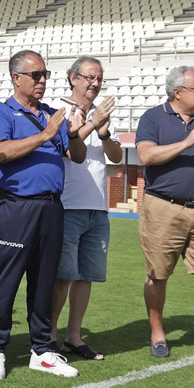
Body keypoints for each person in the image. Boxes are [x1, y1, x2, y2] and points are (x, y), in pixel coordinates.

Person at [0, 49, 86, 380]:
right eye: (35, 75)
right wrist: (45, 134)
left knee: (44, 281)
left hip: (51, 207)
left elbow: (78, 156)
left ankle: (42, 350)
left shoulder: (53, 115)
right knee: (5, 280)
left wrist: (76, 131)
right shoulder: (2, 114)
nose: (42, 81)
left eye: (45, 75)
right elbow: (1, 152)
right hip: (15, 207)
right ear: (16, 78)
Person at [134, 65, 194, 359]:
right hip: (162, 209)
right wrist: (187, 141)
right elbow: (146, 155)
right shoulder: (153, 117)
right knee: (158, 276)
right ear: (177, 92)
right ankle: (157, 333)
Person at [51, 57, 118, 361]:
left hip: (97, 207)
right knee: (63, 276)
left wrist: (103, 131)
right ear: (73, 78)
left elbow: (116, 156)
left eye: (99, 78)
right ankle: (48, 337)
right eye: (90, 77)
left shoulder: (100, 116)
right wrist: (94, 122)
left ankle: (73, 337)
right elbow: (67, 148)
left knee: (86, 276)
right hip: (67, 204)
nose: (95, 83)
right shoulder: (58, 109)